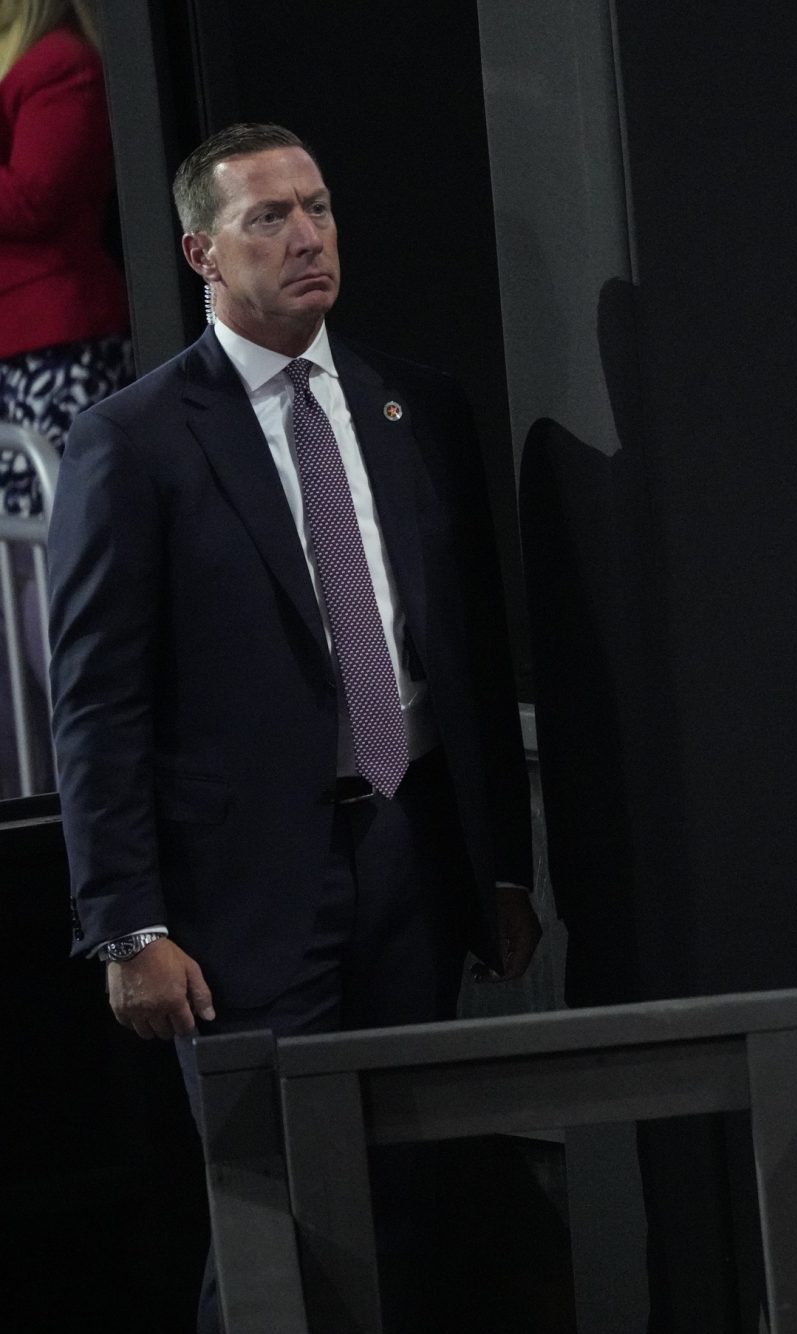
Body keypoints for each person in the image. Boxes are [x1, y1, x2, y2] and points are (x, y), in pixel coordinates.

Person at [46, 122, 538, 1328]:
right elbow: (97, 699)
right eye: (267, 217)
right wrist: (125, 924)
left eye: (316, 206)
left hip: (410, 857)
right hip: (242, 892)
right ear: (200, 252)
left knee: (412, 1197)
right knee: (273, 1221)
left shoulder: (413, 406)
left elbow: (466, 656)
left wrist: (502, 866)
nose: (306, 235)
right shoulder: (137, 440)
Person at [0, 0, 129, 796]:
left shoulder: (63, 63)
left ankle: (98, 776)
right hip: (16, 348)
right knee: (19, 565)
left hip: (61, 342)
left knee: (66, 562)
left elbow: (36, 198)